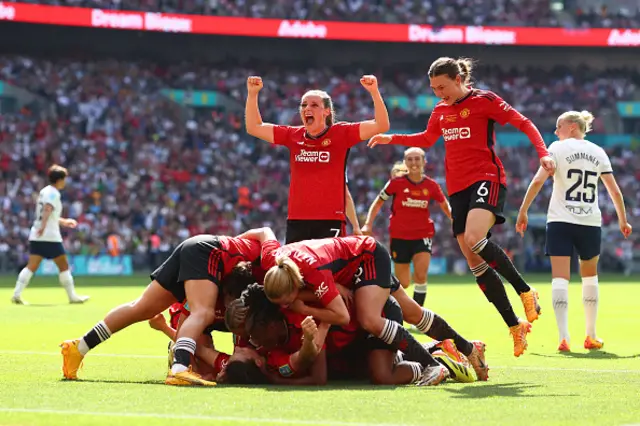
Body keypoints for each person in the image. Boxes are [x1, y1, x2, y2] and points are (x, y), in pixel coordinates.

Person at [368, 56, 556, 357]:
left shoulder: (485, 100)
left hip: (486, 177)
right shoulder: (441, 110)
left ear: (459, 79)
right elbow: (428, 138)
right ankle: (514, 326)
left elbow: (524, 122)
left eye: (442, 86)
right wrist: (392, 138)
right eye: (433, 88)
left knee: (474, 239)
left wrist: (543, 153)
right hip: (457, 188)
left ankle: (524, 289)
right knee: (475, 263)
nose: (438, 93)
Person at [59, 231, 265, 386]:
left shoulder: (252, 263)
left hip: (199, 246)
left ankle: (79, 347)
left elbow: (258, 233)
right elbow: (264, 231)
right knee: (203, 312)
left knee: (140, 308)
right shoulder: (270, 261)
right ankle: (179, 368)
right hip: (208, 251)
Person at [253, 228, 450, 385]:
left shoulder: (313, 281)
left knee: (384, 326)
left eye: (286, 301)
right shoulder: (273, 262)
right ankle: (445, 352)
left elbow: (341, 317)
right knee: (409, 315)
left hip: (368, 261)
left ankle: (435, 363)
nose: (286, 307)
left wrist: (307, 310)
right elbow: (264, 232)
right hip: (353, 291)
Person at [516, 111, 632, 352]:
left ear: (570, 127)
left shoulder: (557, 149)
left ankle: (564, 337)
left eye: (558, 127)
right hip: (589, 222)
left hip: (560, 221)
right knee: (590, 277)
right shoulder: (598, 152)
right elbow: (615, 191)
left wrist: (523, 210)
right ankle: (591, 335)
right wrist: (623, 220)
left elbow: (538, 181)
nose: (556, 132)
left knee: (560, 278)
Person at [245, 75, 390, 243]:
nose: (307, 108)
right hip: (297, 220)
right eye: (304, 105)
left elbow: (382, 125)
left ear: (327, 111)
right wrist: (253, 94)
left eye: (314, 105)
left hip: (330, 220)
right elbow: (254, 127)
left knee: (328, 270)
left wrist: (374, 92)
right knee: (295, 269)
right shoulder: (292, 135)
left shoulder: (342, 133)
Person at [361, 147, 452, 307]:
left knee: (421, 276)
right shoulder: (396, 183)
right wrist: (368, 223)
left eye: (417, 159)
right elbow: (378, 202)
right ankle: (397, 310)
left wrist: (455, 220)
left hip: (423, 235)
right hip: (399, 236)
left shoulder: (431, 185)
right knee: (404, 283)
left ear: (424, 162)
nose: (414, 162)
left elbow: (445, 205)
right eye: (410, 159)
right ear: (405, 162)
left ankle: (419, 317)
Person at [12, 164, 88, 305]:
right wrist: (43, 227)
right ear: (59, 180)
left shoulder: (44, 191)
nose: (65, 182)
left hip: (36, 235)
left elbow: (48, 213)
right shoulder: (53, 193)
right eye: (64, 179)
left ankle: (16, 294)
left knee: (31, 266)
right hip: (50, 236)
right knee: (64, 265)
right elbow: (47, 209)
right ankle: (72, 297)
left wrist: (64, 222)